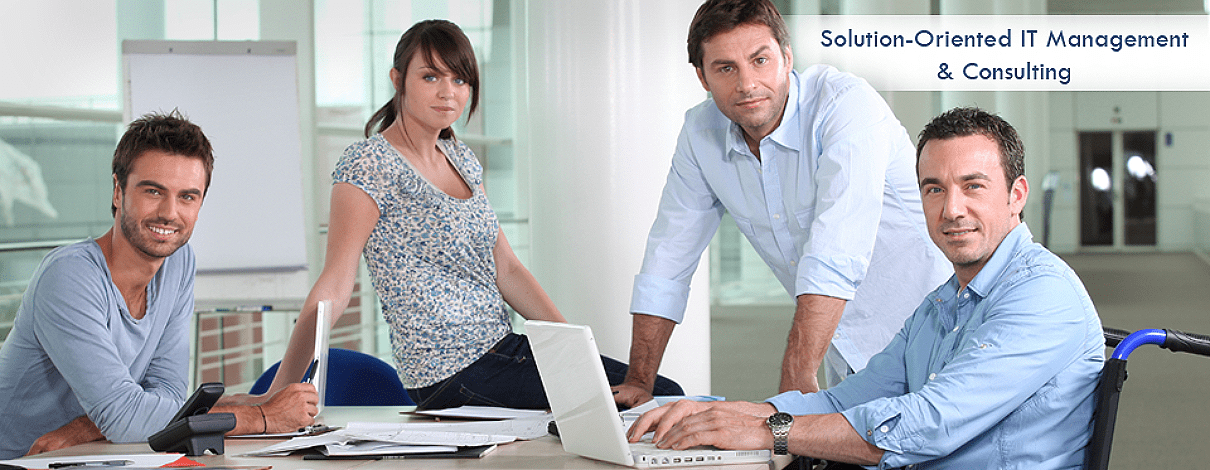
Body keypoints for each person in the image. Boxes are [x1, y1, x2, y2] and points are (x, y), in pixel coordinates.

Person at [628, 107, 1105, 469]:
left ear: (1016, 195)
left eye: (973, 186)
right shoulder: (943, 303)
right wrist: (731, 414)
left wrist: (769, 430)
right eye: (934, 188)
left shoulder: (1044, 297)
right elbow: (844, 399)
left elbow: (928, 425)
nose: (951, 209)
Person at [260, 19, 680, 411]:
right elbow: (333, 284)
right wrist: (276, 393)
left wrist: (573, 348)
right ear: (397, 80)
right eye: (431, 77)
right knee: (647, 404)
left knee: (655, 395)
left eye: (460, 79)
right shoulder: (370, 164)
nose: (448, 92)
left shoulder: (461, 159)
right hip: (448, 371)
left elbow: (508, 268)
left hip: (502, 350)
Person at [614, 0, 951, 407]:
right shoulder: (699, 134)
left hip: (939, 340)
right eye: (726, 68)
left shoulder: (845, 104)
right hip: (846, 360)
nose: (747, 84)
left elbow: (836, 250)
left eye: (760, 60)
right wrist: (639, 382)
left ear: (787, 57)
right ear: (702, 77)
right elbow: (668, 257)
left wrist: (791, 392)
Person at [0, 111, 318, 459]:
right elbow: (126, 417)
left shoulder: (178, 263)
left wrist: (90, 425)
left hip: (104, 453)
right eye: (154, 191)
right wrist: (260, 417)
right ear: (118, 191)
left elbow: (166, 395)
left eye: (187, 197)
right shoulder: (69, 277)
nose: (169, 213)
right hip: (25, 459)